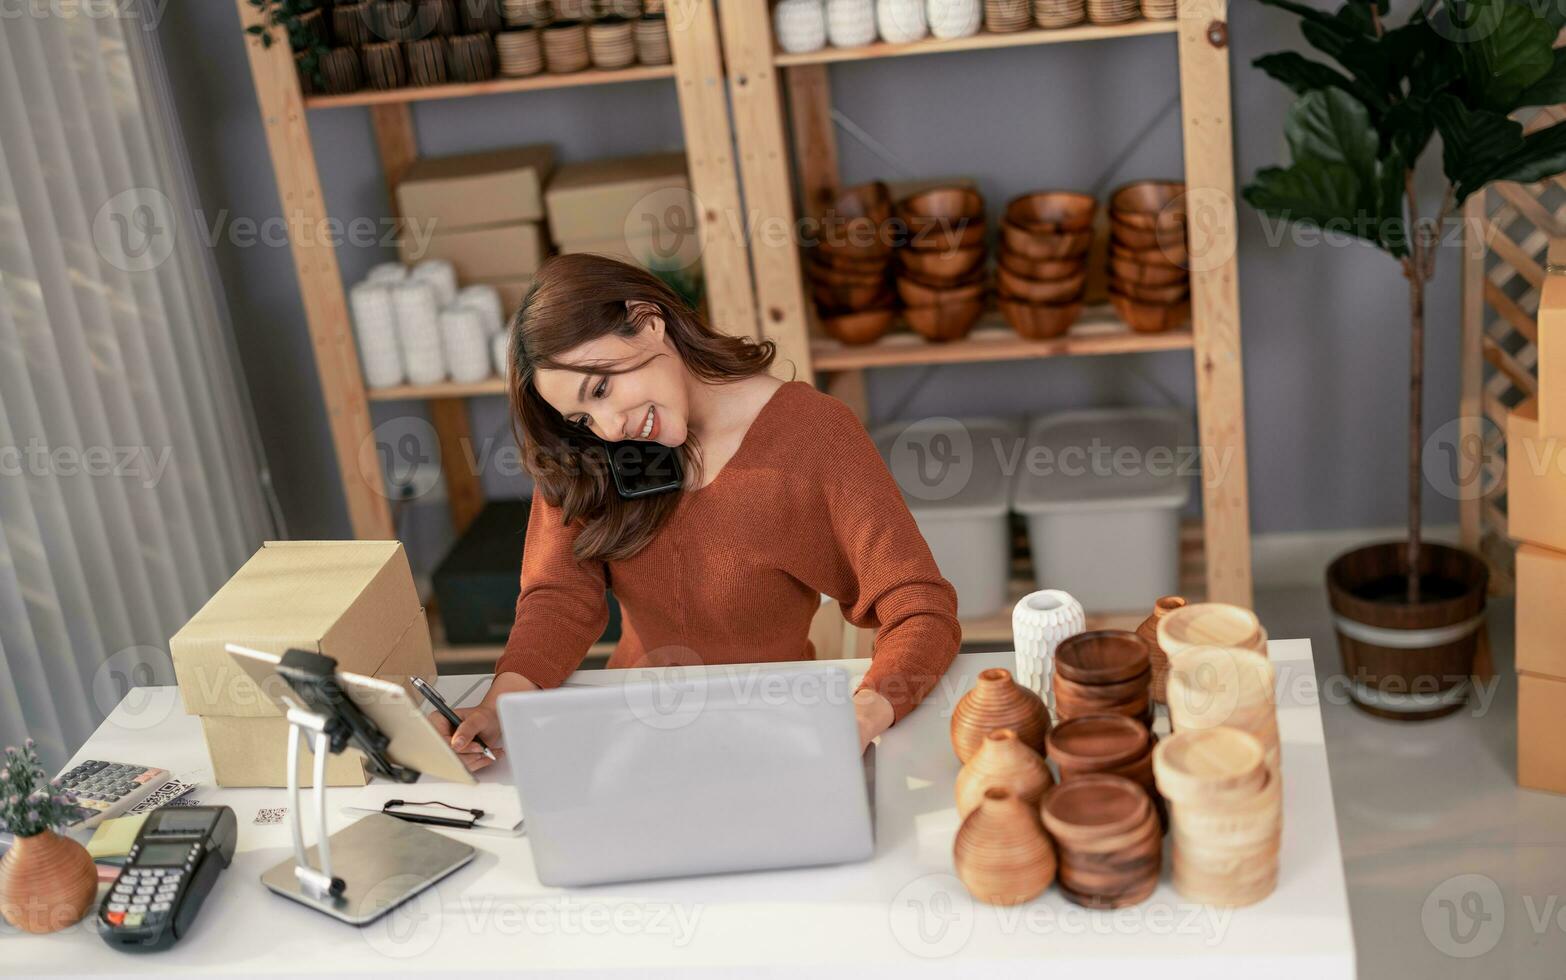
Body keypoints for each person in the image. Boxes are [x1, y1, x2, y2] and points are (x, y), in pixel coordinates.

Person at [431, 253, 961, 770]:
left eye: (601, 388)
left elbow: (919, 608)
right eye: (583, 416)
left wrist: (867, 711)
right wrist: (501, 704)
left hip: (775, 732)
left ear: (648, 322)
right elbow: (558, 597)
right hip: (633, 732)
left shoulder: (812, 435)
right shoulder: (598, 452)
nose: (610, 427)